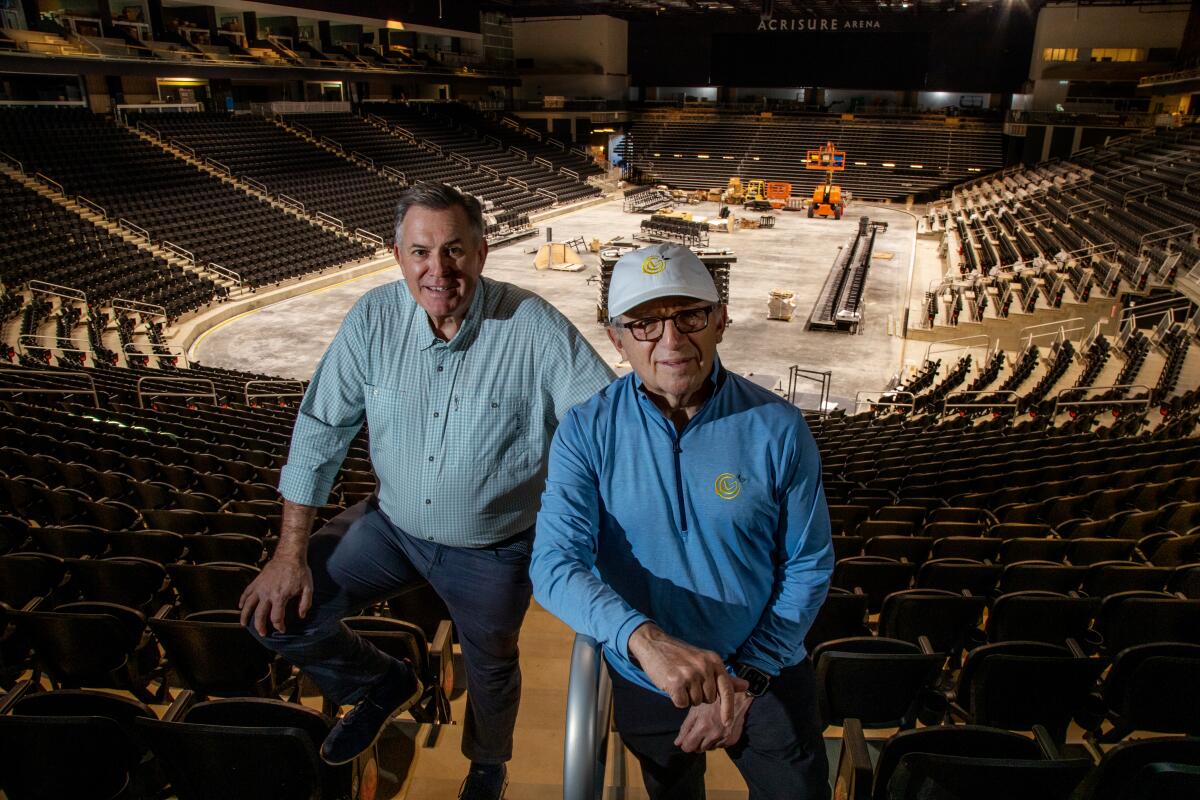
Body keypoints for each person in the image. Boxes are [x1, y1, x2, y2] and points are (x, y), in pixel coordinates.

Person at [239, 183, 614, 800]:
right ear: (398, 256)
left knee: (492, 668)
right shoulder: (372, 317)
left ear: (483, 253)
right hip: (391, 526)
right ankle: (381, 683)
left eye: (454, 251)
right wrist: (288, 555)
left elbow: (606, 434)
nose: (437, 270)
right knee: (273, 617)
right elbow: (320, 430)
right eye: (420, 252)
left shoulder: (535, 327)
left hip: (495, 547)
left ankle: (488, 764)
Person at [531, 243, 834, 800]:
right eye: (644, 323)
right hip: (649, 679)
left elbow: (809, 565)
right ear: (616, 340)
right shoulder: (585, 431)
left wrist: (750, 678)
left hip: (764, 677)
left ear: (720, 321)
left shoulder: (780, 428)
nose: (670, 341)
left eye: (688, 316)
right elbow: (553, 565)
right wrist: (645, 642)